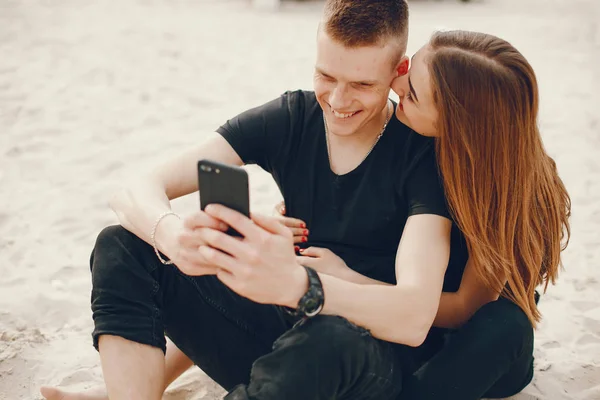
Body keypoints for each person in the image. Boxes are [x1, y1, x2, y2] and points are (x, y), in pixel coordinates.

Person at [40, 2, 571, 400]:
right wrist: (177, 240)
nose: (339, 101)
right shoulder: (293, 119)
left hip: (398, 346)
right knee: (126, 243)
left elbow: (439, 311)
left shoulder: (436, 161)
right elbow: (135, 187)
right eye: (325, 76)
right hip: (310, 325)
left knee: (498, 327)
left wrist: (326, 280)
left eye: (383, 86)